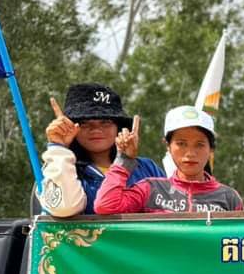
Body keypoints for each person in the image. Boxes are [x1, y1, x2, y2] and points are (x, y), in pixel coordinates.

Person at [37, 83, 164, 216]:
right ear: (71, 127)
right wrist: (58, 148)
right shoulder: (58, 168)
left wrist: (125, 160)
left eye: (105, 122)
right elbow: (64, 208)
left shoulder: (147, 168)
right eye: (84, 123)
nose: (96, 129)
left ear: (118, 127)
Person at [94, 105, 243, 214]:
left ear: (211, 149)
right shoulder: (151, 189)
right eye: (181, 144)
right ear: (168, 146)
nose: (190, 153)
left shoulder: (229, 197)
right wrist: (124, 159)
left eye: (199, 144)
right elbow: (105, 205)